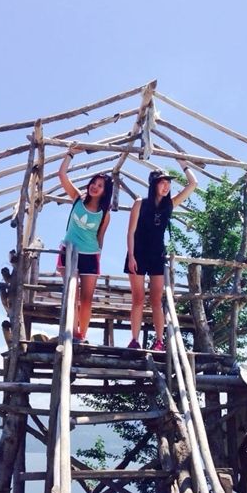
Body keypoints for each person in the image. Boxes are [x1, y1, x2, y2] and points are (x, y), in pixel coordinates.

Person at [124, 161, 198, 350]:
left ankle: (159, 341)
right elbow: (131, 232)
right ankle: (134, 340)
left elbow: (193, 184)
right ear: (153, 184)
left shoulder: (170, 205)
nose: (166, 186)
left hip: (157, 254)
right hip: (138, 253)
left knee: (157, 299)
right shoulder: (140, 203)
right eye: (162, 182)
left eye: (168, 183)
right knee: (138, 298)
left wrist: (182, 163)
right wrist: (131, 256)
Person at [57, 147, 112, 343]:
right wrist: (70, 154)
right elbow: (61, 175)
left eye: (100, 185)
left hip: (90, 255)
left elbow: (101, 238)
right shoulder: (77, 198)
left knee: (87, 298)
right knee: (72, 292)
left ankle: (82, 334)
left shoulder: (105, 214)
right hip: (69, 251)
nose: (95, 187)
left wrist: (97, 256)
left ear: (105, 192)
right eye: (94, 183)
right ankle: (72, 331)